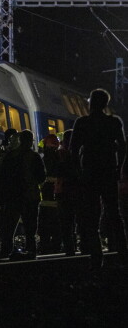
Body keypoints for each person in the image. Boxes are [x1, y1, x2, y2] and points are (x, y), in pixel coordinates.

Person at [70, 88, 127, 268]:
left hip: (89, 173)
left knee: (91, 215)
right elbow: (123, 146)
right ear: (106, 104)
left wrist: (78, 170)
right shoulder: (114, 122)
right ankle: (123, 252)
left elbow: (73, 149)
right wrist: (119, 168)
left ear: (91, 103)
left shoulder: (82, 123)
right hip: (109, 172)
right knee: (114, 213)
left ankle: (96, 255)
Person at [0, 130, 46, 259]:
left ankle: (6, 250)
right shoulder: (35, 157)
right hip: (30, 197)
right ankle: (31, 250)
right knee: (30, 227)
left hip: (13, 197)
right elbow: (42, 177)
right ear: (30, 142)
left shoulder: (11, 156)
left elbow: (3, 176)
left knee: (10, 226)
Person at [52, 129, 81, 256]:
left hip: (63, 190)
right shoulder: (79, 152)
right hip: (77, 190)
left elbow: (55, 171)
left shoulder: (60, 154)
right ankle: (82, 245)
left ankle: (70, 248)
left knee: (66, 222)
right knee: (79, 220)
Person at [38, 134, 62, 254]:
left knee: (44, 229)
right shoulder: (62, 158)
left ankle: (45, 249)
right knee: (57, 229)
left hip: (45, 201)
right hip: (58, 199)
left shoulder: (44, 158)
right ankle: (57, 249)